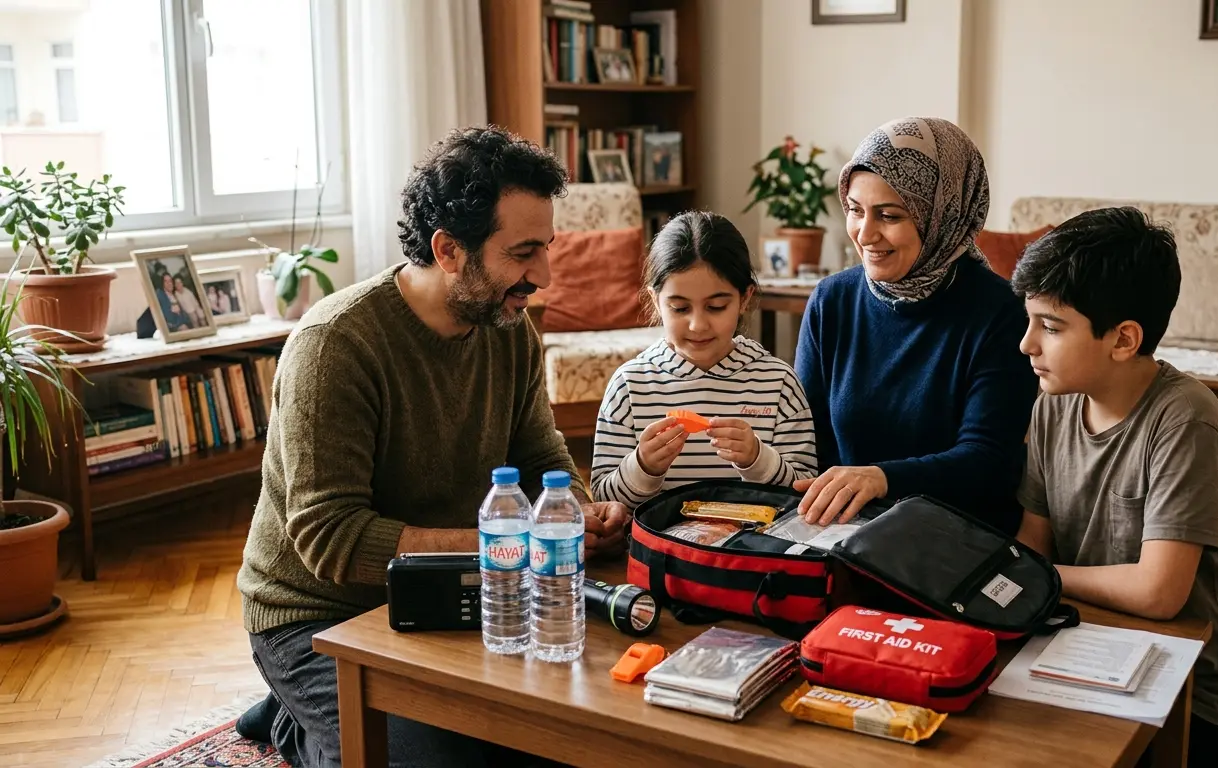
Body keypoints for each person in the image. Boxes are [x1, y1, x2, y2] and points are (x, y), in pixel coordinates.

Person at [234, 126, 631, 768]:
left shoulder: (508, 327)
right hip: (316, 615)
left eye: (547, 249)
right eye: (524, 252)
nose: (545, 276)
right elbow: (332, 539)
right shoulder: (335, 345)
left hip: (452, 584)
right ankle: (292, 722)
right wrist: (511, 541)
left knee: (554, 739)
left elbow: (541, 457)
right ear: (448, 250)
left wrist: (573, 513)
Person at [1009, 207, 1218, 767]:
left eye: (1050, 327)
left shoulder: (1187, 421)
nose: (1026, 345)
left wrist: (1036, 578)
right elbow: (1034, 539)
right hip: (1089, 640)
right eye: (1029, 321)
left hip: (1197, 683)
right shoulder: (1054, 406)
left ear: (1124, 339)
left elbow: (1159, 592)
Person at [793, 117, 1037, 533]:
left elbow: (987, 459)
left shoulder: (1001, 312)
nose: (865, 234)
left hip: (955, 536)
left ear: (941, 215)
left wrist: (880, 479)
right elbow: (804, 438)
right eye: (854, 210)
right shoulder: (830, 302)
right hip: (845, 531)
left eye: (888, 215)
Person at [592, 211, 816, 507]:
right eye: (680, 309)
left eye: (716, 306)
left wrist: (758, 460)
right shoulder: (630, 386)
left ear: (744, 298)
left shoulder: (778, 383)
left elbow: (806, 489)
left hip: (751, 549)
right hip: (660, 551)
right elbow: (603, 498)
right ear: (656, 301)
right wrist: (643, 467)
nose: (698, 325)